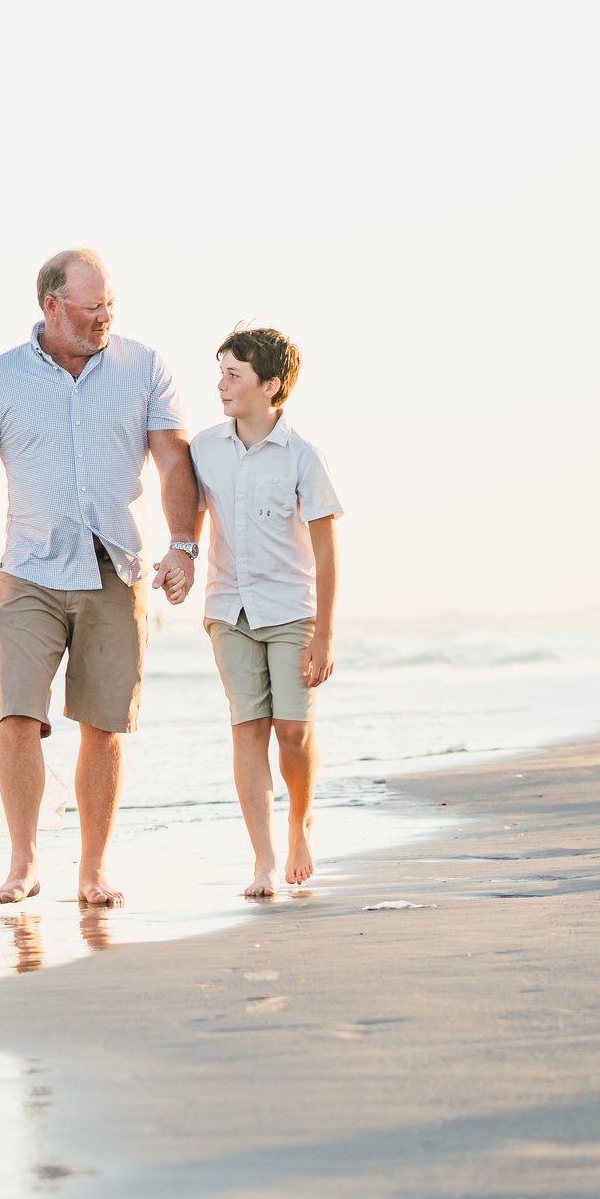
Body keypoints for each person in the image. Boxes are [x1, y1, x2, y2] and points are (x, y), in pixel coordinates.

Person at [0, 249, 200, 907]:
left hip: (115, 568)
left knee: (102, 724)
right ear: (50, 305)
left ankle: (93, 869)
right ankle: (24, 862)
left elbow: (174, 462)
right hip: (29, 572)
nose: (103, 319)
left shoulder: (143, 367)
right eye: (89, 308)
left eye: (108, 307)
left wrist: (185, 544)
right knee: (16, 715)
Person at [191, 326, 343, 899]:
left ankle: (300, 826)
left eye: (234, 374)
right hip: (228, 607)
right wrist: (179, 556)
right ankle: (263, 860)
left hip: (291, 611)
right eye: (221, 372)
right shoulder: (203, 448)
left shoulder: (304, 458)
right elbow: (188, 516)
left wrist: (324, 635)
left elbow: (327, 554)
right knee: (248, 729)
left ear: (271, 385)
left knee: (294, 733)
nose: (222, 385)